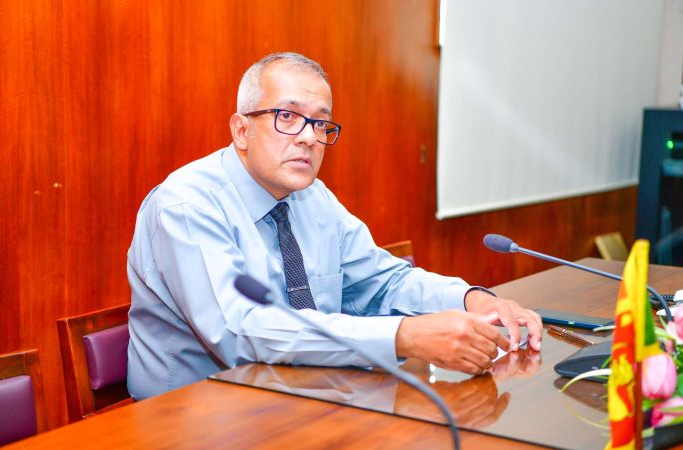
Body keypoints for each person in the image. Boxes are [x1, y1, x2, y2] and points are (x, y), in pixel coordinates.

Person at [126, 52, 542, 400]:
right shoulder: (187, 205)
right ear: (241, 130)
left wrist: (469, 299)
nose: (309, 137)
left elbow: (383, 282)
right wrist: (403, 336)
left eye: (321, 123)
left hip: (302, 396)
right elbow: (240, 331)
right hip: (193, 414)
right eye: (288, 116)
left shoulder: (314, 198)